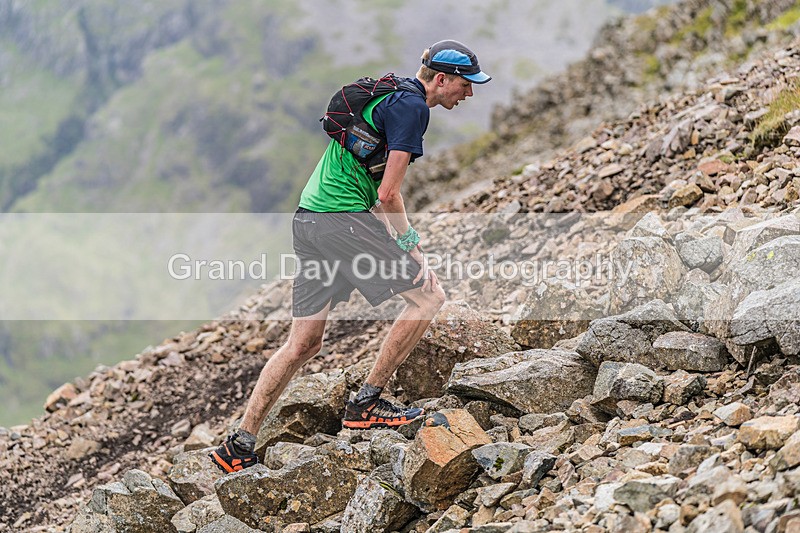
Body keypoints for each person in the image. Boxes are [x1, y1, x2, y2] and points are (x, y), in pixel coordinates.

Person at [210, 40, 491, 472]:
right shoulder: (413, 109)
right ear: (441, 79)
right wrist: (409, 244)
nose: (468, 94)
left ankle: (238, 446)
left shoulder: (389, 90)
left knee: (303, 343)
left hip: (309, 218)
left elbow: (373, 187)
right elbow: (389, 194)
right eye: (465, 84)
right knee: (428, 297)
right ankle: (366, 406)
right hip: (341, 219)